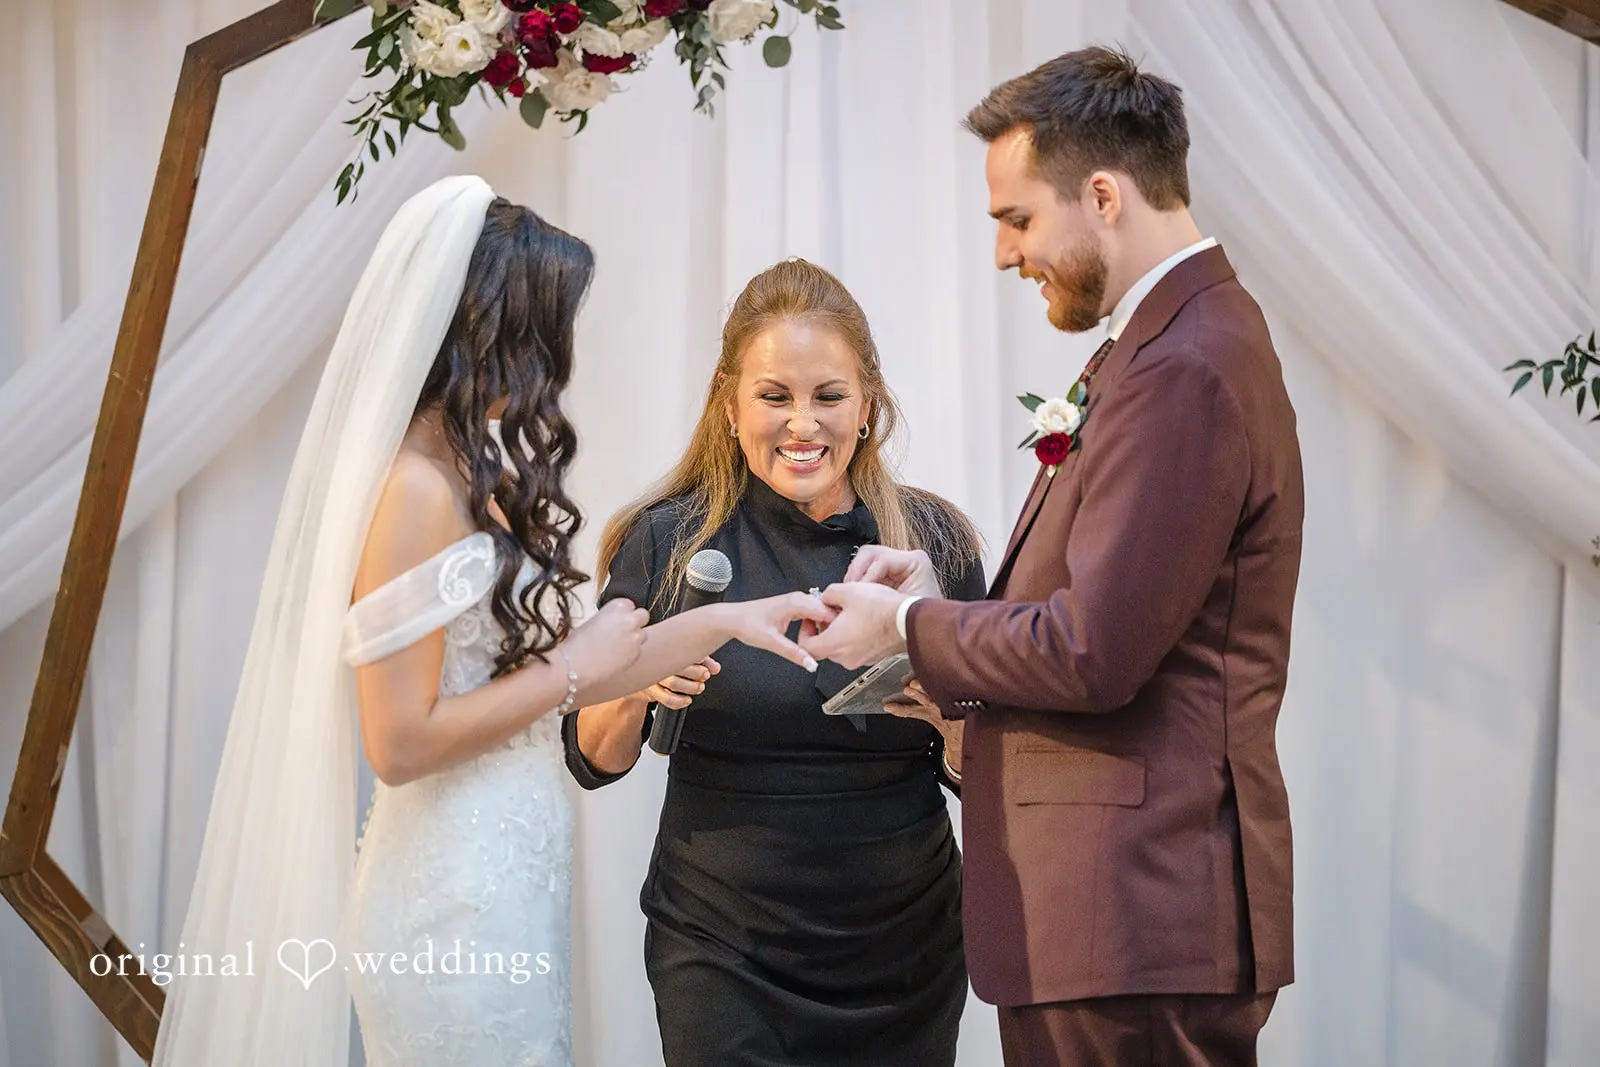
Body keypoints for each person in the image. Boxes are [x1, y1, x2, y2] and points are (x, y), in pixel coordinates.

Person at [151, 176, 832, 1067]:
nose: (560, 359)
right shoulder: (412, 491)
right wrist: (571, 672)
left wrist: (740, 619)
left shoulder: (469, 475)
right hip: (448, 897)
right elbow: (398, 740)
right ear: (492, 333)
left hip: (505, 875)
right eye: (551, 332)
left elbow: (592, 661)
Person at [801, 48, 1304, 1067]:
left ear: (1105, 195)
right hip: (1115, 918)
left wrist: (907, 627)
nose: (1001, 252)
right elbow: (1111, 606)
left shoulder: (1187, 364)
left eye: (1016, 217)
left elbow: (1092, 651)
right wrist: (941, 602)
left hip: (1133, 912)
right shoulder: (1168, 343)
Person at [563, 259, 986, 1067]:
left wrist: (951, 715)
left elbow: (985, 771)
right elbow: (594, 758)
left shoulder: (934, 546)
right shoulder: (665, 540)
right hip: (720, 950)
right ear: (729, 404)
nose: (803, 425)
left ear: (867, 404)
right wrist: (640, 680)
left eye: (828, 396)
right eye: (775, 396)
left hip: (905, 956)